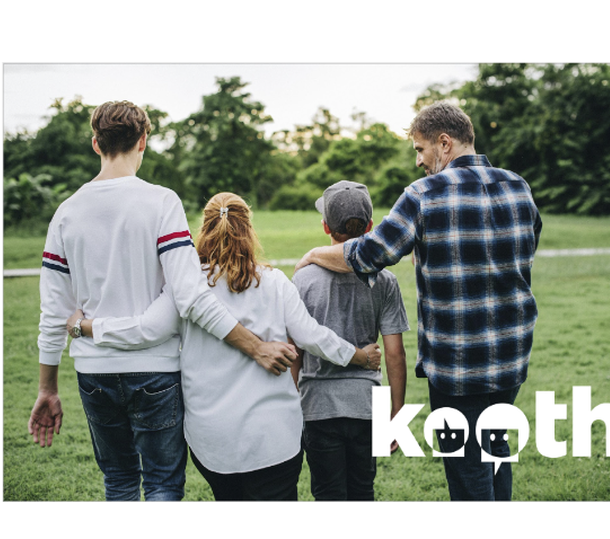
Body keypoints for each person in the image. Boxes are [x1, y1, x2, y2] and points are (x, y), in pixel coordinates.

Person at [29, 101, 297, 501]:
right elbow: (189, 297)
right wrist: (256, 346)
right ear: (143, 141)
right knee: (162, 484)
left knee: (118, 481)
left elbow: (54, 313)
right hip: (154, 371)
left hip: (94, 373)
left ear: (95, 143)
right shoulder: (161, 202)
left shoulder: (65, 214)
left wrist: (47, 388)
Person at [295, 101, 542, 501]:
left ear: (444, 144)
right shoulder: (518, 186)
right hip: (512, 357)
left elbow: (369, 254)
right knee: (496, 448)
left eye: (420, 149)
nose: (418, 161)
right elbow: (524, 250)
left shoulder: (425, 193)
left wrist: (313, 255)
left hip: (458, 365)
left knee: (467, 467)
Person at [68, 192, 382, 501]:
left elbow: (148, 329)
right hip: (273, 438)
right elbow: (313, 337)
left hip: (212, 442)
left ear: (203, 229)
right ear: (249, 230)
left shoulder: (184, 289)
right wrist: (360, 356)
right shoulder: (273, 283)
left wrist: (86, 326)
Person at [290, 180, 409, 501]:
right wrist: (396, 413)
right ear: (370, 226)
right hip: (366, 408)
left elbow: (294, 353)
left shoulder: (302, 278)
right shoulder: (385, 280)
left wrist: (292, 403)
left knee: (328, 496)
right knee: (362, 494)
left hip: (318, 409)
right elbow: (395, 354)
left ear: (325, 226)